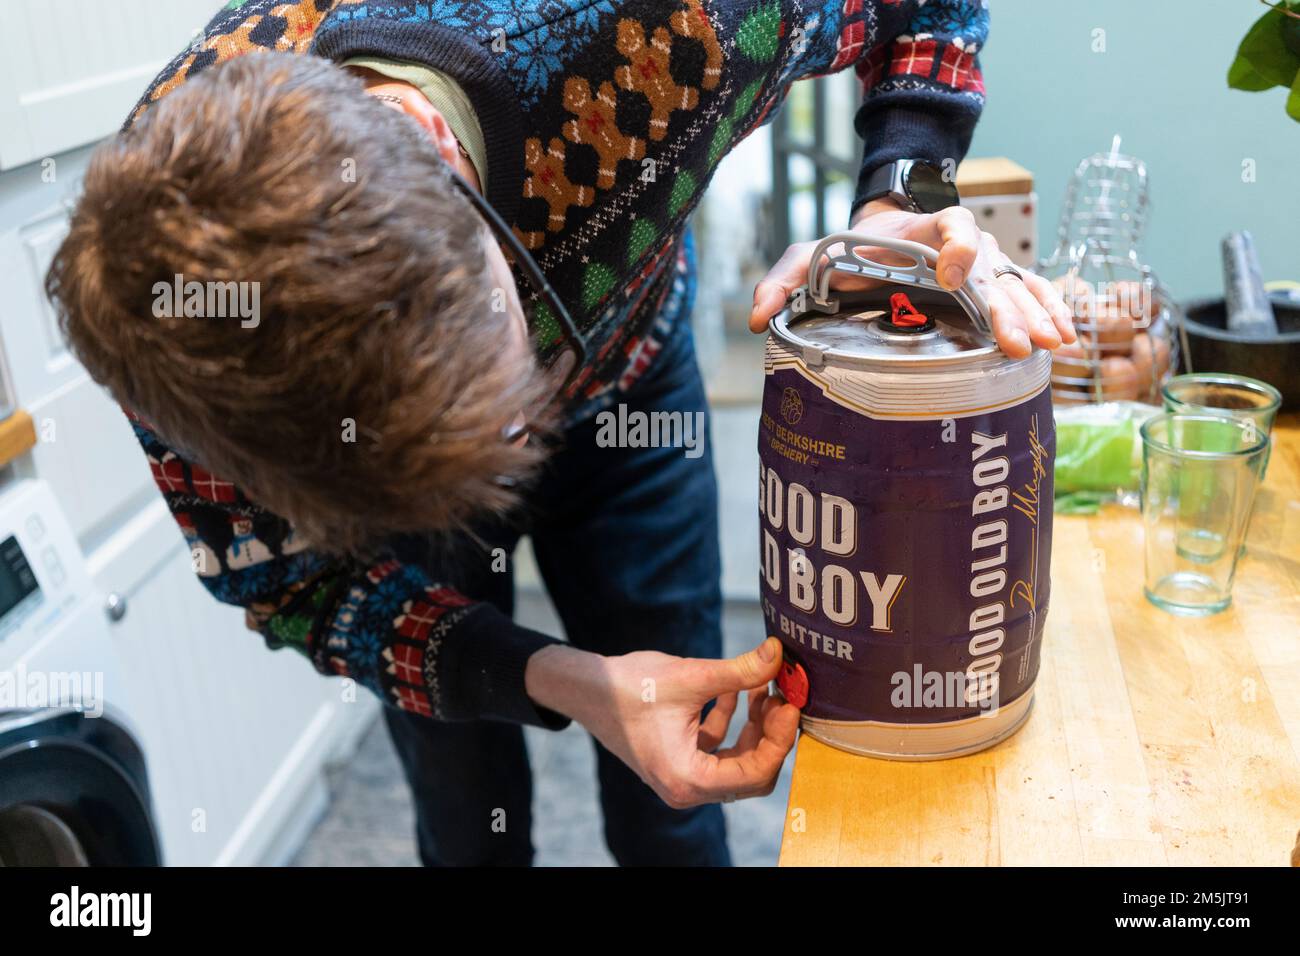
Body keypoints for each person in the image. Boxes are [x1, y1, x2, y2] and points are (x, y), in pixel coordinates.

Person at [46, 0, 1073, 866]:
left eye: (500, 384)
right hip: (393, 506)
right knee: (466, 816)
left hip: (631, 387)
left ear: (463, 179)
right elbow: (290, 585)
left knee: (678, 802)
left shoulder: (665, 30)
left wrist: (900, 200)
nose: (511, 437)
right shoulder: (157, 310)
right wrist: (564, 679)